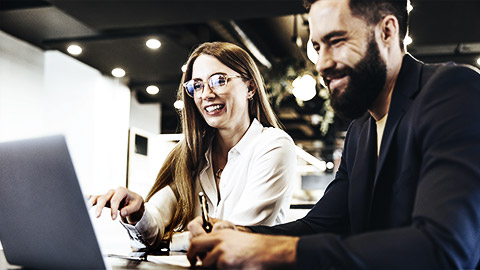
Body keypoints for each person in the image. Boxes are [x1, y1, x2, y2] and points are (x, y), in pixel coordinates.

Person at [186, 0, 480, 269]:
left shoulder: (451, 91)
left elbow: (444, 246)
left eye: (336, 41)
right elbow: (322, 224)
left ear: (387, 32)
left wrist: (275, 251)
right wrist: (242, 233)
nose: (322, 64)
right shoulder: (360, 130)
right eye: (317, 46)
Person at [90, 41, 296, 251]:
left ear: (250, 87)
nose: (206, 93)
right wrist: (137, 212)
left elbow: (238, 237)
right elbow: (154, 224)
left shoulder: (274, 145)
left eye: (218, 80)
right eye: (197, 85)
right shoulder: (192, 155)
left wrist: (168, 241)